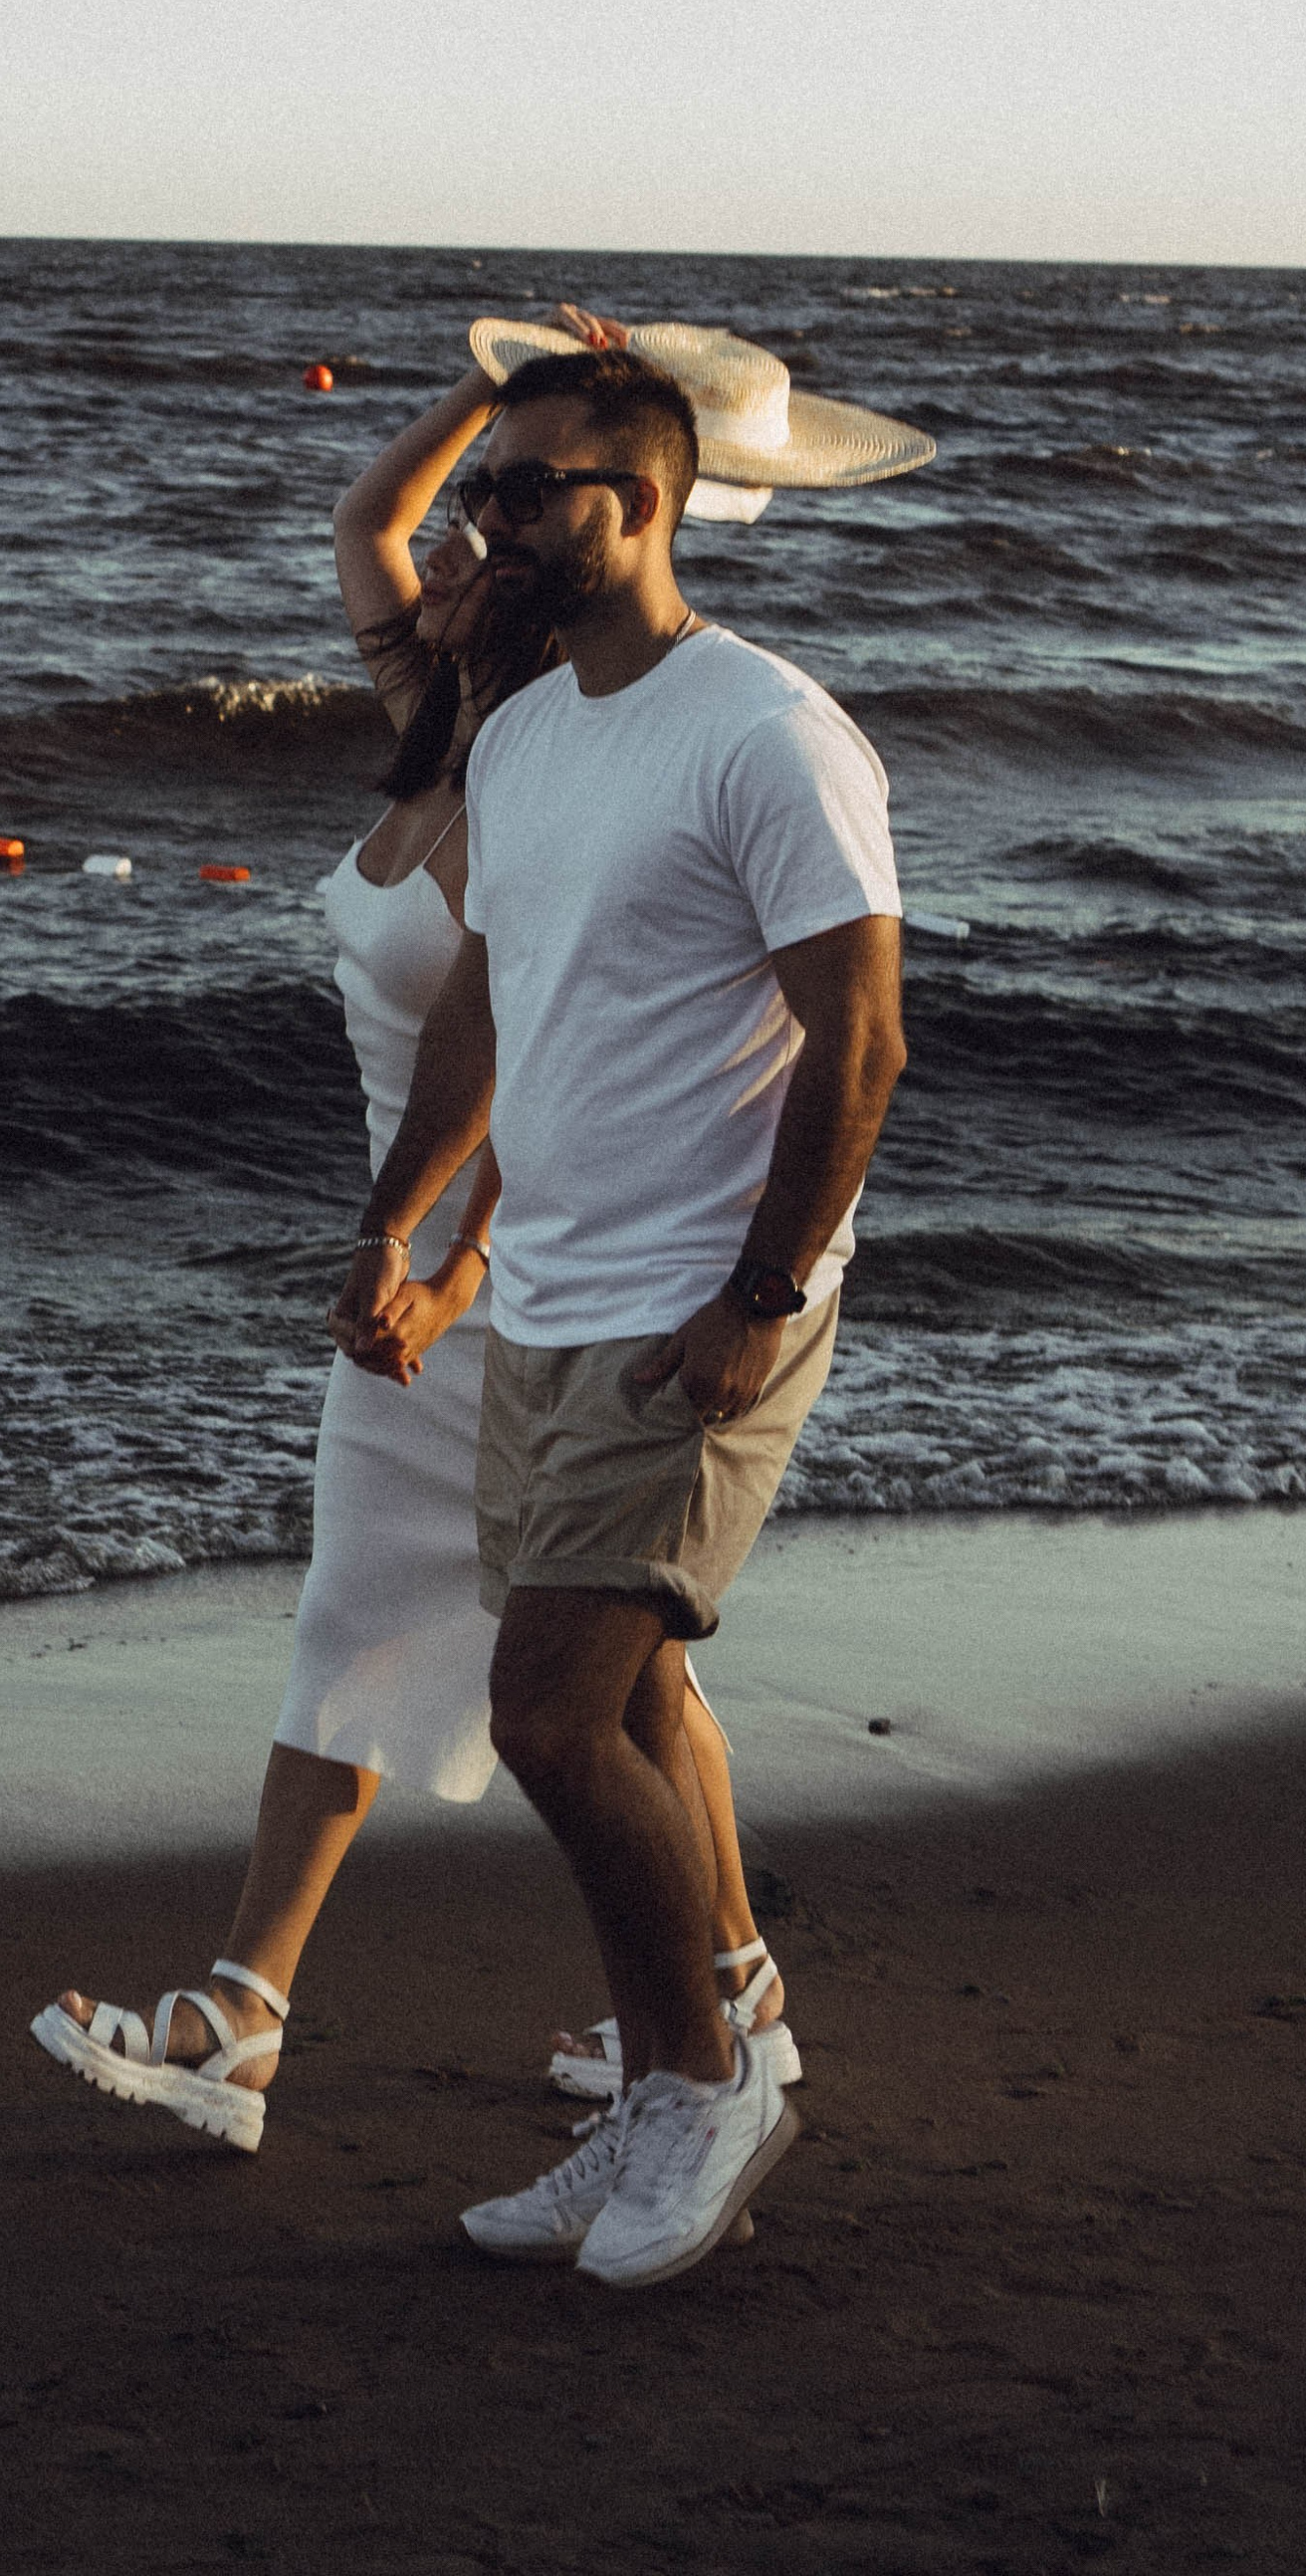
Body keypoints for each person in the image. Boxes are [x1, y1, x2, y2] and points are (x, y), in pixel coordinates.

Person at [30, 332, 797, 2150]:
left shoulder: (539, 786)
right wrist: (504, 391)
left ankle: (708, 2001)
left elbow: (546, 1053)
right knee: (378, 1626)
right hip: (418, 1267)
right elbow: (367, 515)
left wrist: (452, 1269)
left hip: (513, 1271)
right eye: (459, 537)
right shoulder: (437, 738)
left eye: (493, 537)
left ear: (533, 602)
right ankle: (267, 2014)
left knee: (621, 1678)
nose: (446, 556)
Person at [336, 336, 918, 2289]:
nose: (484, 520)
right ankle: (672, 2073)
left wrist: (760, 1296)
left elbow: (864, 1037)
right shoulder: (521, 736)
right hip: (555, 1290)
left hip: (699, 1303)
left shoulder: (763, 734)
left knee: (545, 1713)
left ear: (640, 506)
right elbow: (487, 1005)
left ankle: (703, 2082)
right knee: (634, 1696)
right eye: (482, 488)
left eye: (523, 491)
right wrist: (404, 1226)